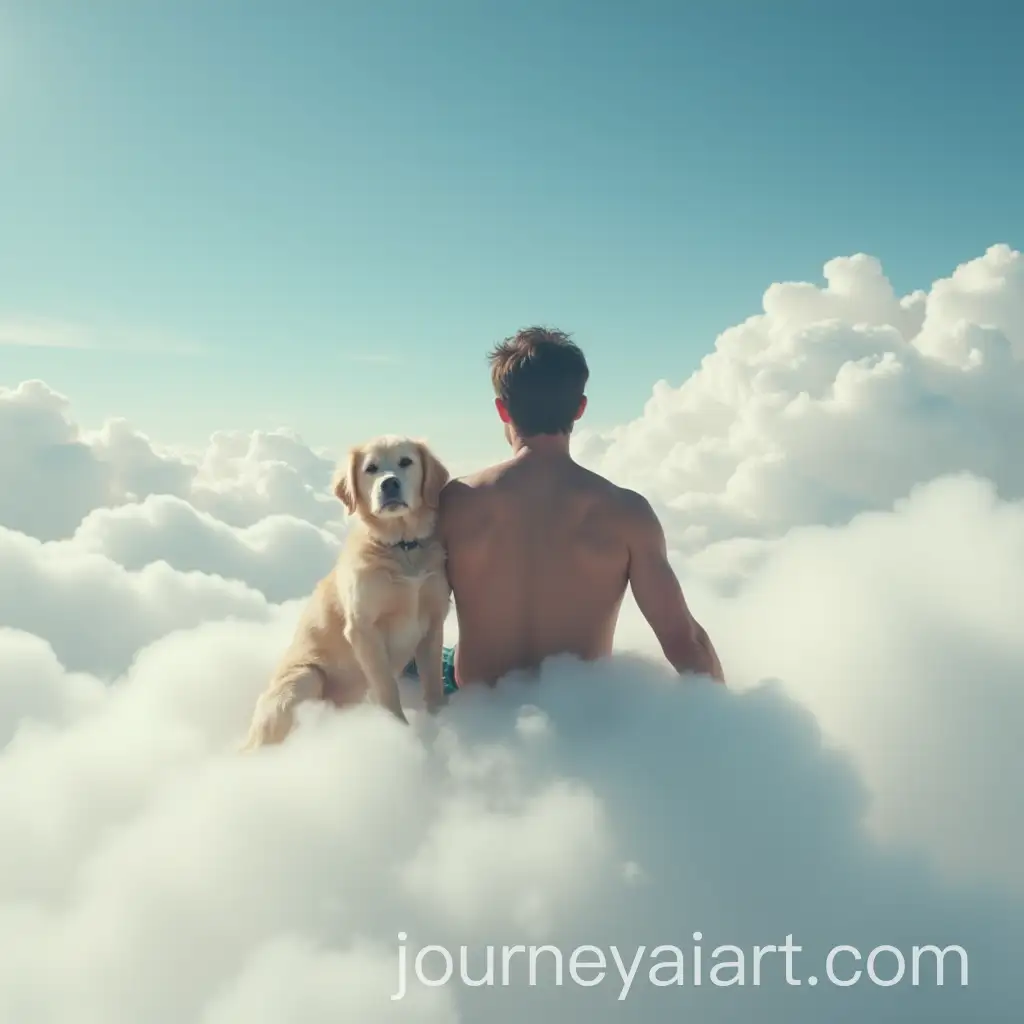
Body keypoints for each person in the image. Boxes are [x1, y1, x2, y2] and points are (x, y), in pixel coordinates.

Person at [406, 326, 724, 696]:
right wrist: (728, 725)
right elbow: (684, 641)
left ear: (502, 410)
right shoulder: (627, 513)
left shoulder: (453, 502)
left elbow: (396, 613)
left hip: (479, 707)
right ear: (580, 407)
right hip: (578, 710)